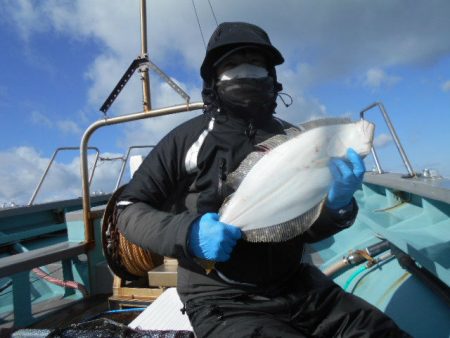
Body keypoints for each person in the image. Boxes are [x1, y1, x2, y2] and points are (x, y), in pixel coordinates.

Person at [117, 22, 410, 337]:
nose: (245, 73)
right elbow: (128, 208)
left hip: (299, 286)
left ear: (271, 75)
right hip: (222, 300)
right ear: (213, 78)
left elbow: (306, 229)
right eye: (231, 65)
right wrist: (188, 234)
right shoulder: (187, 139)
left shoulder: (294, 137)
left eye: (256, 65)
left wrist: (336, 206)